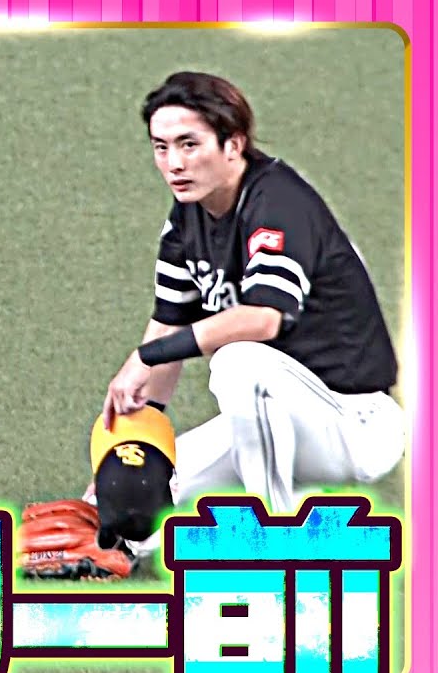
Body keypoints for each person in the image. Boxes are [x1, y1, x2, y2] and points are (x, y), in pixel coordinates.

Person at [102, 71, 404, 517]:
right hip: (272, 420)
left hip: (354, 426)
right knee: (131, 501)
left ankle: (277, 534)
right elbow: (167, 324)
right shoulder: (187, 218)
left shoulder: (279, 202)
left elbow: (264, 317)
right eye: (161, 147)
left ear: (234, 144)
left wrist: (145, 357)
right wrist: (134, 441)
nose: (174, 163)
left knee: (238, 362)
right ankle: (299, 508)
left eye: (189, 144)